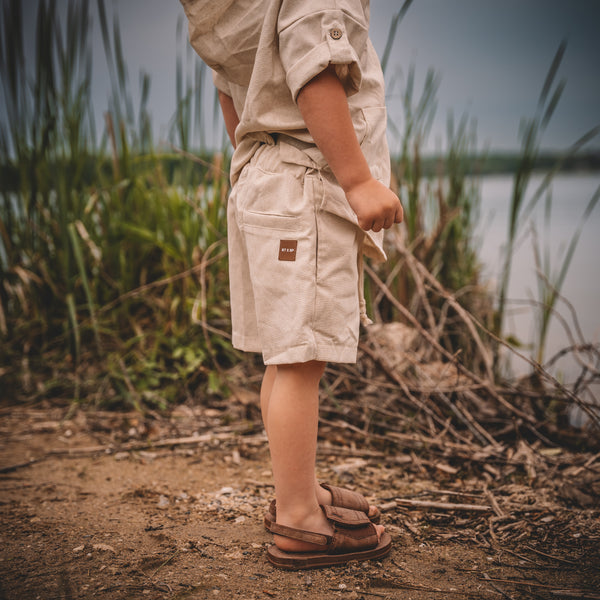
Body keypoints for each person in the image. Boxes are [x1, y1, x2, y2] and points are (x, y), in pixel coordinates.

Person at [180, 0, 403, 569]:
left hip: (261, 175)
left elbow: (235, 101)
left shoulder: (225, 10)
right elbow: (314, 77)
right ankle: (300, 518)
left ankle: (293, 492)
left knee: (283, 360)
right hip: (307, 181)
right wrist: (358, 181)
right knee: (302, 360)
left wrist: (262, 166)